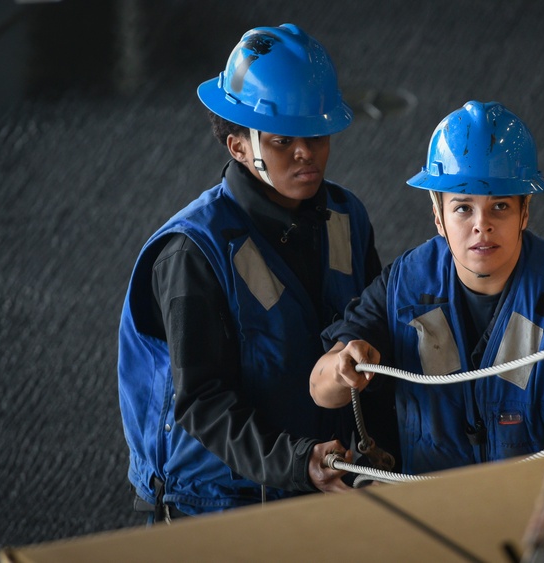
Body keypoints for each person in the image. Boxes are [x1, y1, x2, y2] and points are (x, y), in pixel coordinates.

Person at [117, 23, 381, 522]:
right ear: (238, 146)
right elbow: (202, 403)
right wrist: (297, 462)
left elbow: (372, 326)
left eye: (317, 134)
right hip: (216, 506)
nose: (307, 153)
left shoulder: (347, 217)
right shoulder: (194, 252)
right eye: (285, 140)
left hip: (323, 481)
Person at [310, 101, 544, 475]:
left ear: (525, 211)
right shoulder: (404, 286)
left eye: (500, 206)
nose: (482, 225)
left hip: (533, 508)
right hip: (429, 506)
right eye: (463, 208)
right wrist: (342, 369)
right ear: (438, 216)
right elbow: (320, 389)